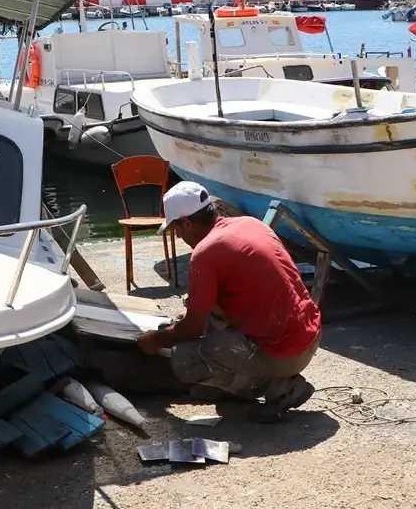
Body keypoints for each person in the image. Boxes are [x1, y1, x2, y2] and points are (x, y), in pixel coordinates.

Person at [137, 181, 321, 423]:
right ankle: (232, 384)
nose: (179, 237)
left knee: (185, 357)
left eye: (177, 230)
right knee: (204, 321)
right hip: (309, 336)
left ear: (186, 222)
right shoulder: (250, 224)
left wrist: (155, 339)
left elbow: (191, 329)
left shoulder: (205, 252)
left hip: (285, 352)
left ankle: (280, 388)